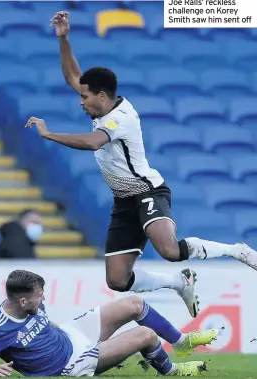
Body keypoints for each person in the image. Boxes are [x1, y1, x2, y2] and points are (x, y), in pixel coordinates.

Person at [26, 11, 257, 318]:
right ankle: (178, 283)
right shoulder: (100, 107)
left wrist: (50, 134)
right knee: (117, 280)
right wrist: (64, 37)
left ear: (101, 96)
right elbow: (72, 76)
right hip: (123, 200)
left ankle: (235, 250)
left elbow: (93, 143)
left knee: (170, 250)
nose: (80, 101)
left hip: (148, 191)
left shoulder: (120, 118)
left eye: (84, 97)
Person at [0, 270, 219, 377]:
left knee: (133, 304)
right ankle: (174, 370)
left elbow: (43, 327)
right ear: (23, 300)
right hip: (68, 365)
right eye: (40, 295)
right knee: (146, 335)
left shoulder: (31, 305)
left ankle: (182, 343)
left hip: (70, 337)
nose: (44, 298)